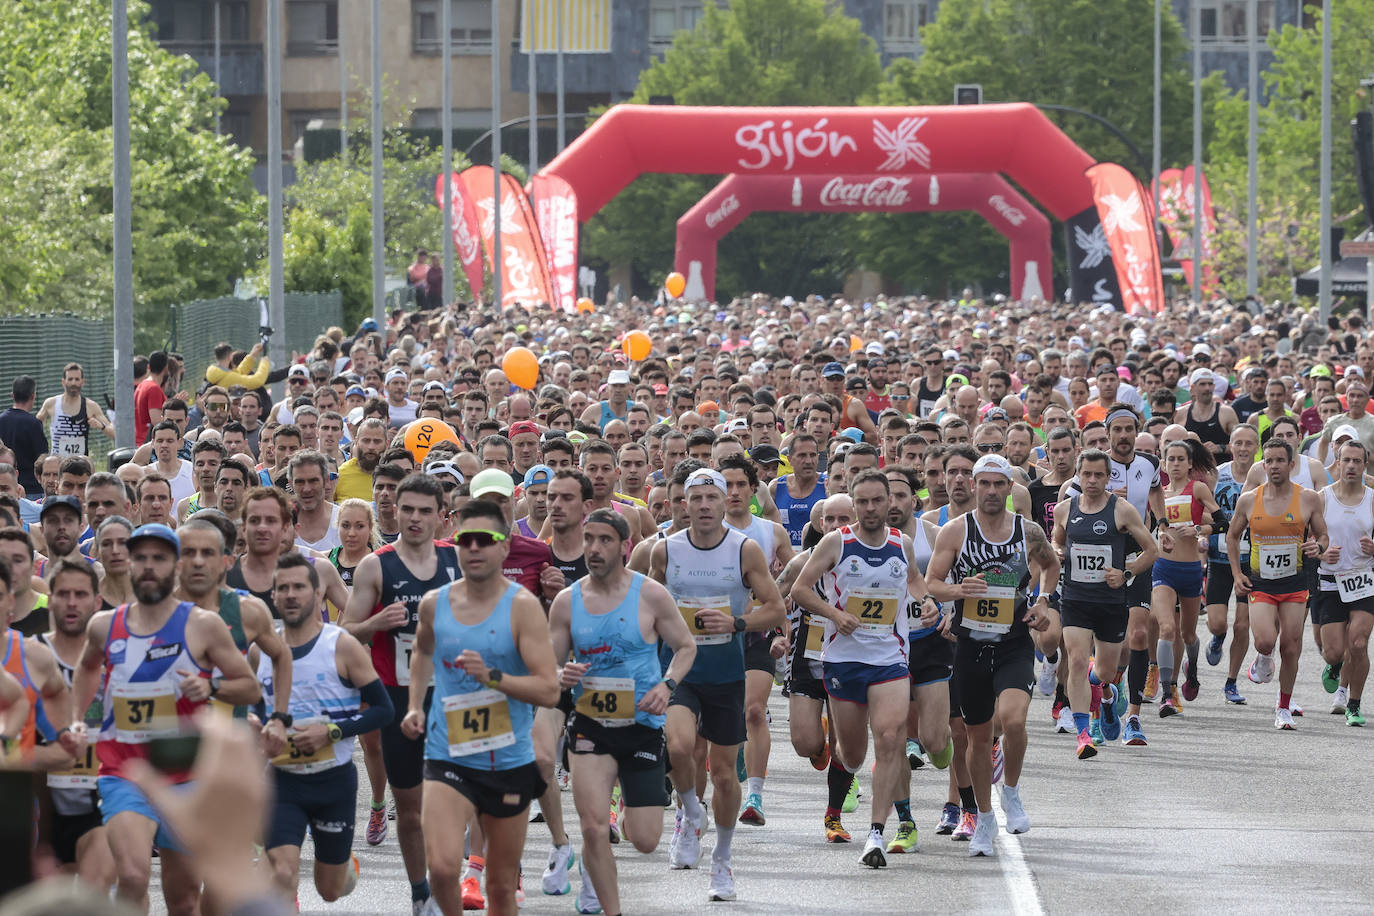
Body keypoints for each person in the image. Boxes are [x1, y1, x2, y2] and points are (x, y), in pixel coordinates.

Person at [67, 523, 260, 915]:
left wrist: (211, 689)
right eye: (140, 559)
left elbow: (250, 687)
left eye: (159, 558)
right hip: (124, 771)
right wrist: (77, 719)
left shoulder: (202, 626)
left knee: (185, 899)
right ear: (128, 566)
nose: (148, 567)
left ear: (175, 566)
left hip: (187, 774)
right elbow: (86, 667)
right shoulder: (104, 626)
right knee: (134, 875)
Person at [402, 500, 561, 916]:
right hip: (447, 752)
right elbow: (421, 652)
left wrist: (495, 679)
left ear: (504, 547)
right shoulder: (435, 603)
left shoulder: (522, 607)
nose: (473, 548)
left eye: (484, 540)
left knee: (501, 885)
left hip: (507, 760)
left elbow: (548, 690)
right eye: (464, 540)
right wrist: (415, 705)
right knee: (440, 867)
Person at [549, 507, 696, 916]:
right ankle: (606, 903)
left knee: (645, 839)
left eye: (605, 540)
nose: (594, 549)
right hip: (590, 726)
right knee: (594, 827)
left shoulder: (649, 594)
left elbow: (686, 647)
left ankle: (634, 807)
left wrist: (667, 686)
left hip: (642, 726)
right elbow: (547, 666)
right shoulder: (566, 602)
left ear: (624, 545)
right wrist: (562, 673)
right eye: (588, 540)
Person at [648, 467, 784, 901]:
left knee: (725, 775)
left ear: (725, 502)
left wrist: (737, 622)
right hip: (679, 670)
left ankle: (722, 861)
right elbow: (646, 607)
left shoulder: (744, 550)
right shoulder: (664, 551)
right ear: (683, 504)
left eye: (712, 497)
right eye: (696, 498)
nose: (704, 505)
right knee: (678, 745)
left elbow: (776, 608)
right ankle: (690, 811)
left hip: (726, 673)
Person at [791, 468, 937, 869]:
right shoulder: (837, 542)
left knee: (890, 737)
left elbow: (914, 579)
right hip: (842, 659)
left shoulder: (901, 542)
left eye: (879, 500)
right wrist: (834, 615)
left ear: (890, 501)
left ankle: (876, 832)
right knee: (852, 754)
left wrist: (926, 601)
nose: (872, 508)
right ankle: (843, 760)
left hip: (889, 659)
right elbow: (800, 590)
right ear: (853, 503)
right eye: (863, 501)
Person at [926, 455, 1061, 856]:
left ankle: (1012, 793)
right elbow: (932, 583)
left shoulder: (1028, 531)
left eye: (997, 484)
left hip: (1014, 640)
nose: (989, 491)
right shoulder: (955, 531)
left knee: (1015, 719)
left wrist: (1043, 601)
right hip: (969, 644)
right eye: (982, 483)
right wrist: (957, 592)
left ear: (1009, 489)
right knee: (978, 737)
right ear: (974, 485)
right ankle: (984, 818)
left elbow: (1051, 567)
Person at [342, 474, 460, 915]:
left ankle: (457, 872)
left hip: (453, 696)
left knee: (454, 800)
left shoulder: (459, 561)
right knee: (409, 808)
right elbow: (344, 633)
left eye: (424, 511)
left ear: (440, 516)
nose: (413, 518)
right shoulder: (377, 565)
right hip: (397, 698)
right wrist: (375, 624)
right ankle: (419, 893)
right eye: (406, 508)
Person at [259, 553, 393, 905]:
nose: (290, 595)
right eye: (282, 588)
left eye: (299, 587)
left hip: (332, 781)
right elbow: (249, 707)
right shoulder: (261, 651)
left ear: (318, 595)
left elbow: (383, 710)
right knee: (283, 873)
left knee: (330, 890)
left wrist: (332, 731)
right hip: (280, 781)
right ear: (272, 596)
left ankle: (342, 862)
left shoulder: (341, 645)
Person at [1053, 449, 1158, 758]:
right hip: (1075, 599)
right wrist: (1057, 551)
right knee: (1075, 661)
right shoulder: (1064, 509)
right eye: (1087, 474)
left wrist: (1126, 573)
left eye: (1100, 474)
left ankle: (1108, 695)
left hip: (1110, 602)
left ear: (1108, 476)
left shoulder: (1121, 510)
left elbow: (1151, 550)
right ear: (1078, 474)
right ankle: (1084, 735)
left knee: (1105, 671)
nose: (1093, 480)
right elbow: (1056, 540)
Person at [1227, 439, 1328, 730]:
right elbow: (1233, 537)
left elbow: (1323, 536)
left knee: (1291, 645)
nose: (1273, 466)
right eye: (1268, 461)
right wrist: (1236, 574)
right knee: (1265, 641)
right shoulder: (1249, 499)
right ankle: (1262, 657)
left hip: (1295, 582)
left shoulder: (1308, 498)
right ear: (1263, 465)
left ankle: (1283, 706)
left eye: (1279, 460)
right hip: (1261, 583)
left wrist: (1317, 548)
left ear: (1291, 464)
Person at [719, 453, 793, 827]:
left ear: (753, 490)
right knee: (719, 718)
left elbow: (795, 577)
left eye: (740, 485)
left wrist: (782, 628)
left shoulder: (770, 532)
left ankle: (756, 797)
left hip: (755, 635)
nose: (733, 492)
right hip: (712, 639)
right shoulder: (705, 530)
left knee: (752, 711)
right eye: (726, 485)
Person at [34, 559, 114, 889]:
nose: (71, 603)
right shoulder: (31, 654)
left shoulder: (115, 656)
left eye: (80, 594)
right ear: (49, 599)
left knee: (95, 897)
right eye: (63, 593)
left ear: (97, 602)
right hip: (44, 803)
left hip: (102, 800)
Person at [1314, 439, 1374, 726]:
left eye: (1357, 461)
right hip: (1330, 580)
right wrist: (1321, 551)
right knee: (1334, 651)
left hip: (1364, 579)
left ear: (1365, 465)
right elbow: (1307, 540)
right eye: (1346, 460)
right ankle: (1335, 665)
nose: (1351, 466)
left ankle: (1354, 704)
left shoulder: (1372, 498)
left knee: (1359, 643)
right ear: (1336, 463)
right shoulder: (1322, 498)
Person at [1205, 424, 1259, 705]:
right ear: (1230, 445)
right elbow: (1204, 509)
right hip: (1219, 557)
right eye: (1238, 443)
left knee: (1243, 624)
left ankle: (1231, 682)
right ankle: (1216, 639)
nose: (1243, 449)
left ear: (1257, 447)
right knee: (1217, 624)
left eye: (1249, 443)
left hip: (1251, 559)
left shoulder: (1263, 478)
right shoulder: (1219, 475)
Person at [37, 362, 115, 458]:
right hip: (57, 465)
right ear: (63, 382)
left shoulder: (90, 406)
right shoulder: (51, 404)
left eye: (77, 379)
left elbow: (114, 433)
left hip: (81, 465)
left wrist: (101, 426)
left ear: (82, 382)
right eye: (70, 379)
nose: (73, 383)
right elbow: (35, 427)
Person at [0, 375, 48, 497]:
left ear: (12, 395)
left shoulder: (1, 420)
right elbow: (41, 457)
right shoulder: (34, 424)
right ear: (33, 396)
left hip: (4, 486)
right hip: (32, 488)